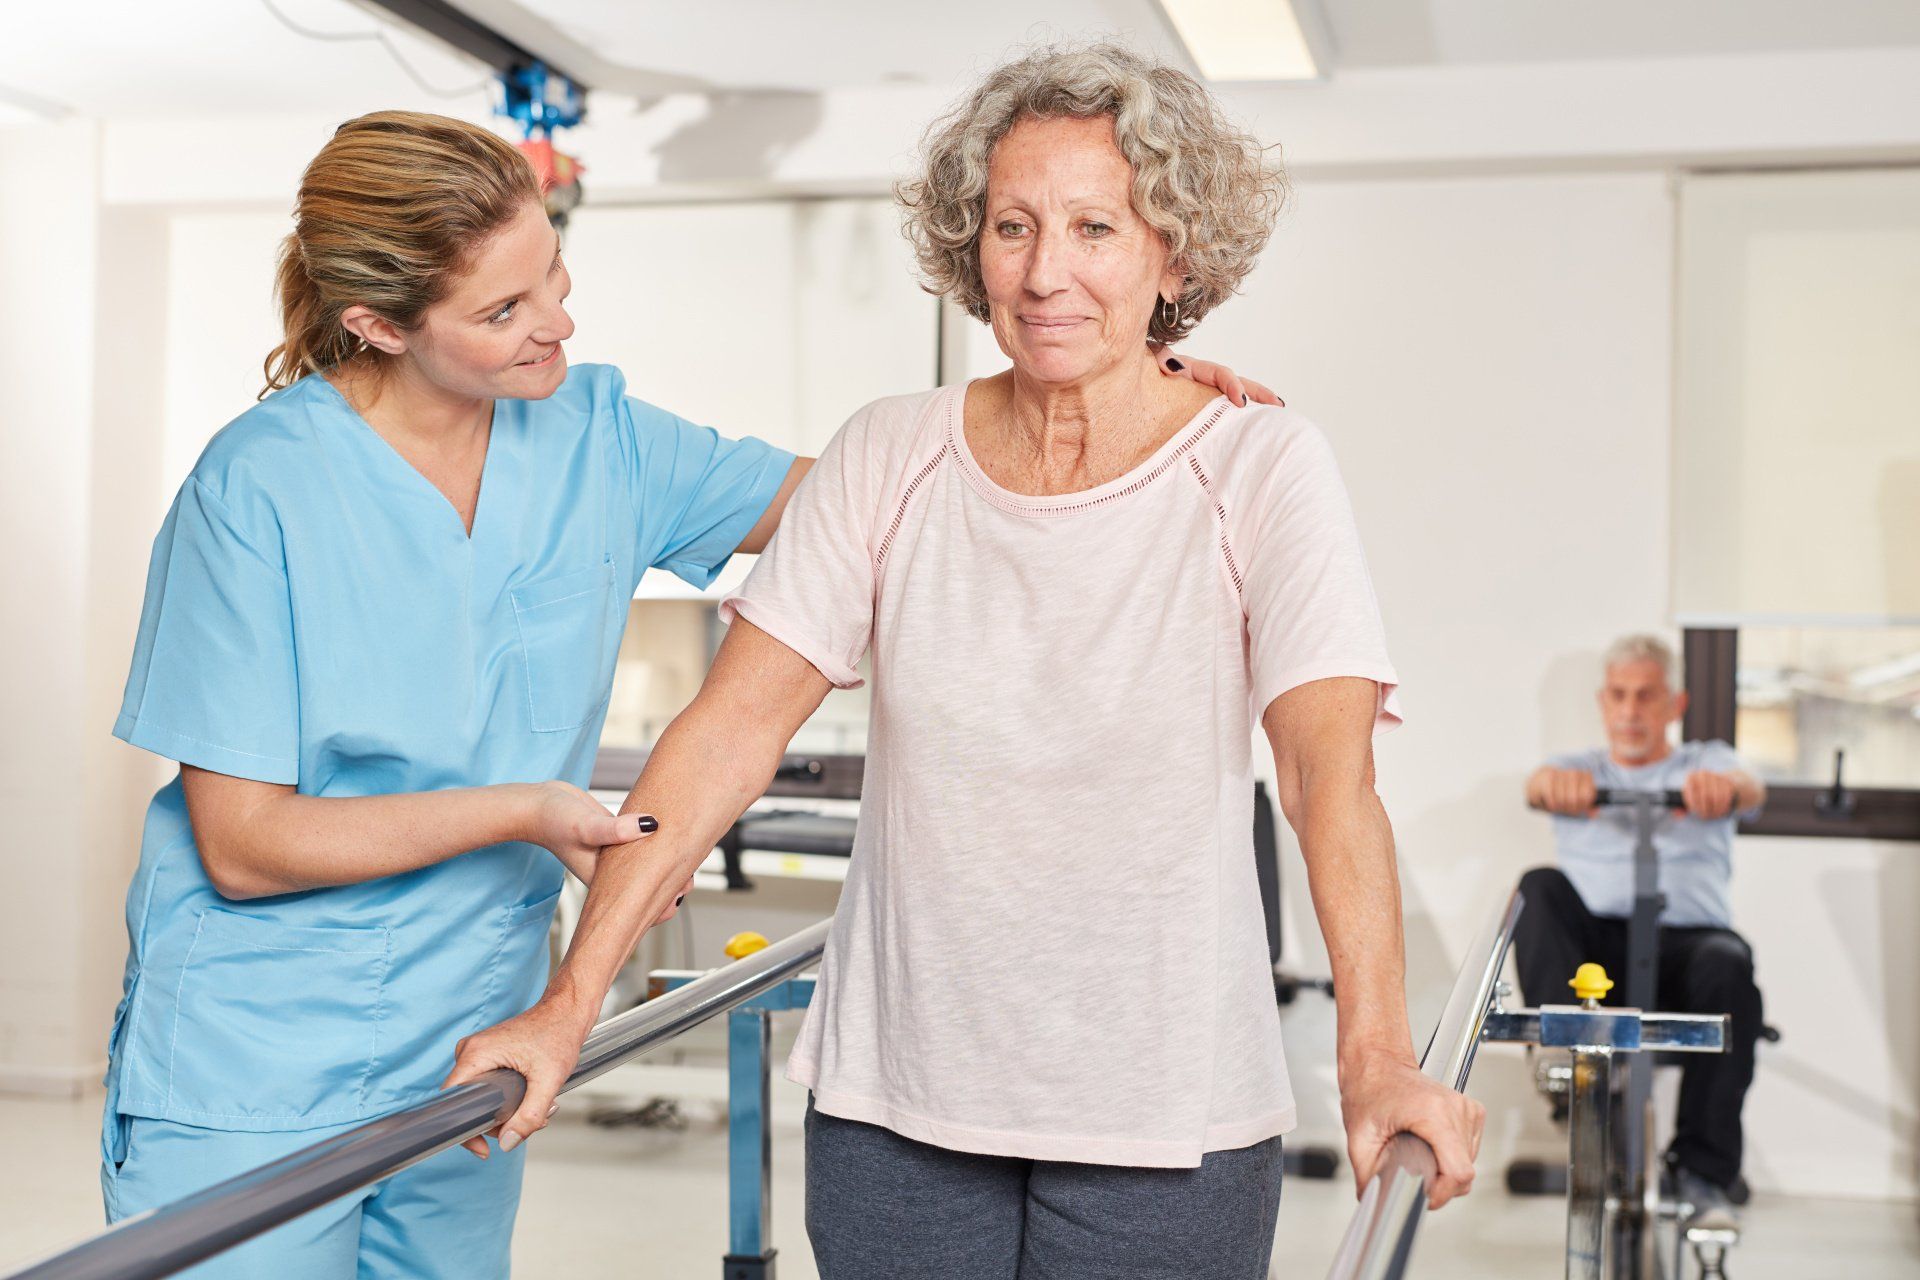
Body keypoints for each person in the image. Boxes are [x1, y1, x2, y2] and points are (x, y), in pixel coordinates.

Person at [103, 109, 1262, 1278]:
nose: (555, 321)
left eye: (551, 273)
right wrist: (521, 808)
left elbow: (899, 493)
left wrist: (1118, 405)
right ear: (377, 325)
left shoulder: (597, 435)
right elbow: (244, 842)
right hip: (250, 1063)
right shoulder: (251, 494)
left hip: (470, 1041)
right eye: (502, 311)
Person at [453, 44, 1483, 1279]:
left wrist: (1373, 1053)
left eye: (1096, 227)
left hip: (1166, 1119)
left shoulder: (1262, 467)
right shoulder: (890, 453)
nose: (1047, 272)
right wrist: (572, 1007)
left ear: (1176, 251)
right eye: (1013, 225)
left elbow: (1328, 777)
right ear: (970, 244)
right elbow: (729, 732)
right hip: (897, 1113)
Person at [1519, 633, 1767, 1218]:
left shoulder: (1705, 761)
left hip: (1687, 952)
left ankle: (1702, 1173)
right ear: (1604, 701)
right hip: (1595, 962)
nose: (1631, 712)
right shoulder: (1578, 768)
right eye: (1620, 696)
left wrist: (1723, 791)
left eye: (1647, 696)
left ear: (1675, 705)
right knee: (1538, 887)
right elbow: (1537, 785)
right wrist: (1553, 788)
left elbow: (1752, 789)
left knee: (1728, 965)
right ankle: (1569, 1062)